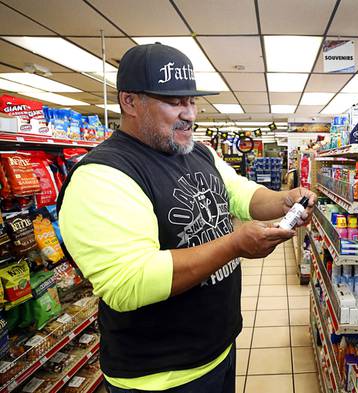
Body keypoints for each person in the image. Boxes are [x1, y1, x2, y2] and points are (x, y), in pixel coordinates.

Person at [58, 43, 317, 393]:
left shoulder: (198, 153)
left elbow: (240, 194)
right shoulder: (103, 175)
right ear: (130, 102)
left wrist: (284, 200)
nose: (190, 113)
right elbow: (128, 282)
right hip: (159, 377)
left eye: (192, 101)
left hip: (218, 350)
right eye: (174, 101)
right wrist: (234, 246)